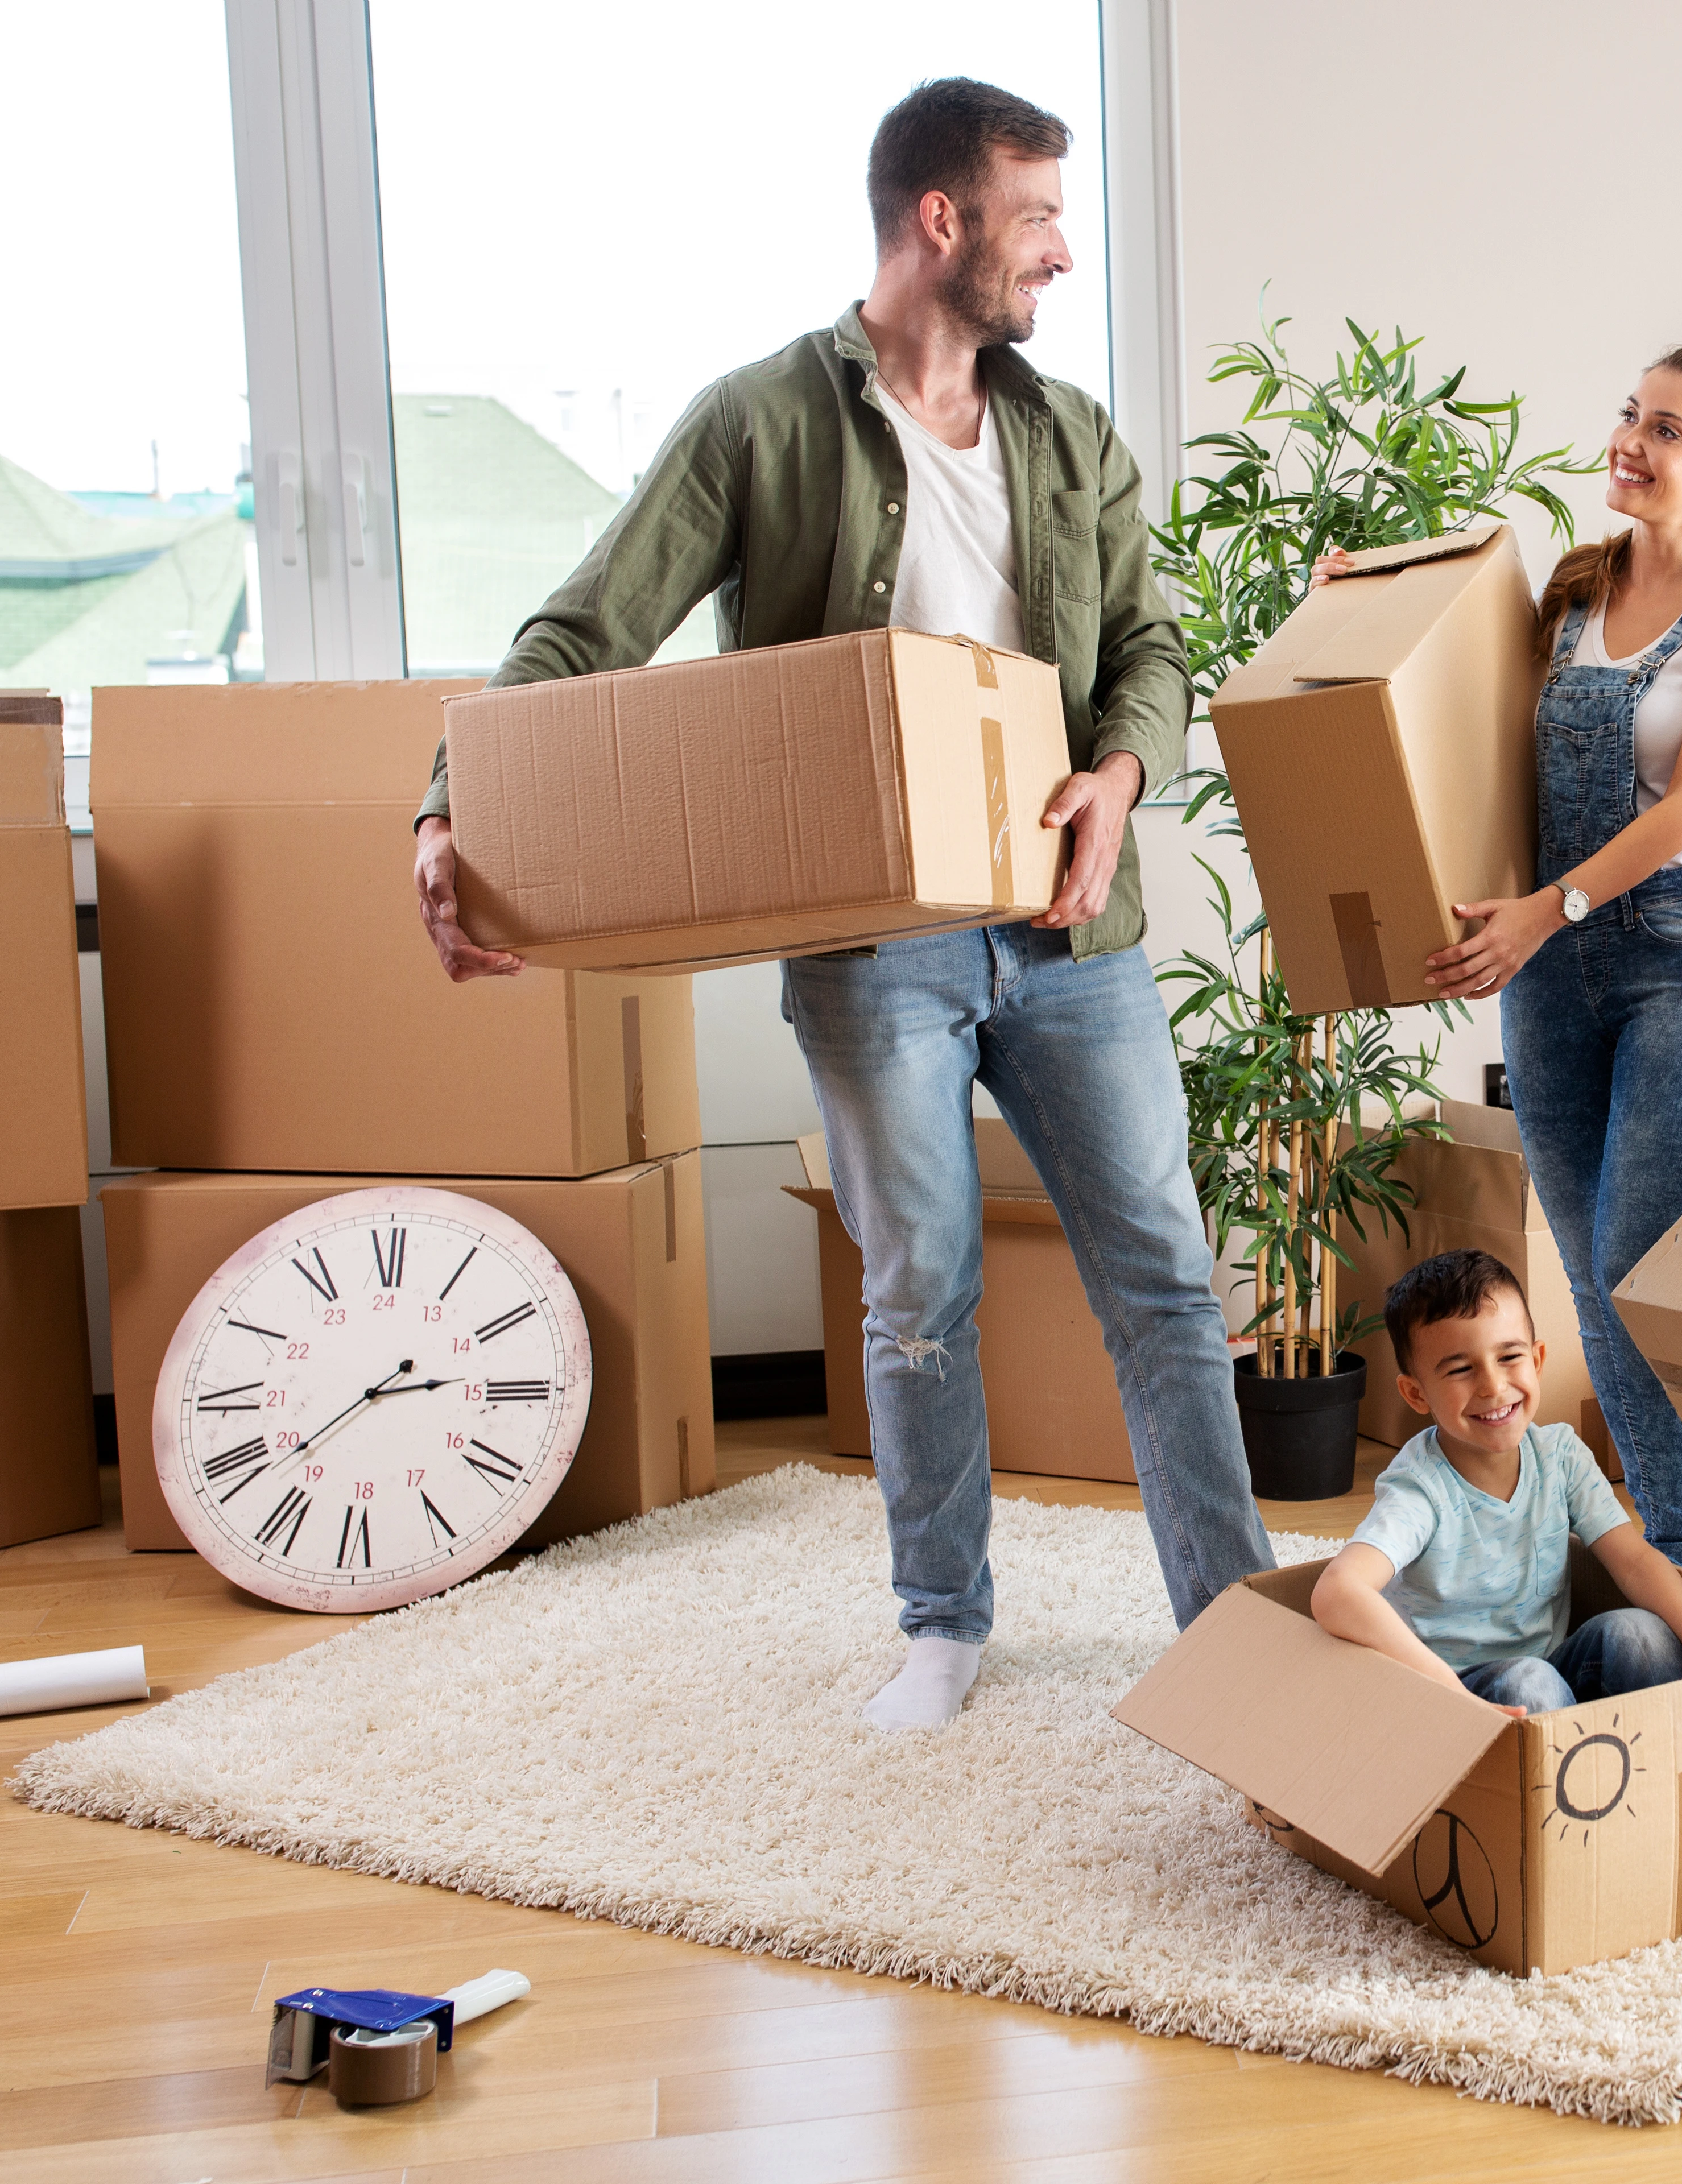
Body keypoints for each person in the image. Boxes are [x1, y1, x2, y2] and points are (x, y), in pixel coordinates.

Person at [406, 78, 1272, 1731]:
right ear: (940, 223)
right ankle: (943, 1619)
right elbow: (581, 633)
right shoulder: (757, 423)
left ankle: (1227, 1619)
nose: (1063, 256)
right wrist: (452, 804)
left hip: (1069, 927)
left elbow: (1154, 647)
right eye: (1037, 220)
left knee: (1162, 1267)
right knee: (920, 1281)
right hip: (878, 948)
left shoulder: (1071, 433)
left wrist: (1122, 775)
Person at [1317, 347, 1682, 1577]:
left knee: (1638, 1267)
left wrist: (1550, 908)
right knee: (1587, 1279)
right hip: (1550, 970)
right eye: (1631, 414)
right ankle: (1640, 1546)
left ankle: (1680, 1559)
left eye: (1669, 430)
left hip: (1679, 955)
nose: (1631, 441)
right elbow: (1447, 702)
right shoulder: (1571, 590)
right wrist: (1346, 599)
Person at [1313, 1250, 1682, 1714]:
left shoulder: (1559, 1455)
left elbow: (1636, 1563)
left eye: (1509, 1357)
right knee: (1530, 1681)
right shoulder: (1420, 1487)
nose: (1493, 1387)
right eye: (1461, 1369)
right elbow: (1337, 1590)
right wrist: (1452, 1695)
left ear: (1537, 1359)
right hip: (1452, 1694)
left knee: (1643, 1634)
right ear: (1417, 1394)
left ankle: (1674, 1757)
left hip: (1552, 1672)